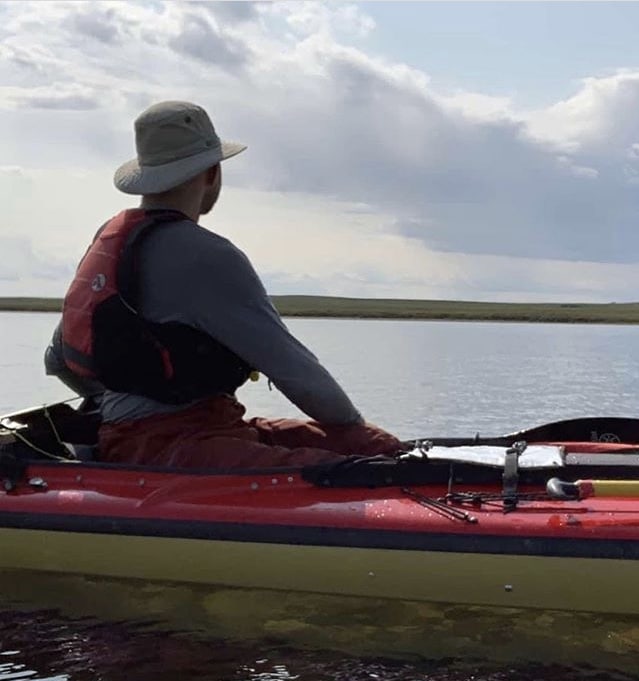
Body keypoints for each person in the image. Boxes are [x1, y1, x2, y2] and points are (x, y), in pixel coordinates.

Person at [45, 100, 403, 468]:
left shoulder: (110, 243)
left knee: (365, 449)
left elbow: (59, 360)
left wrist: (117, 410)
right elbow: (297, 374)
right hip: (173, 445)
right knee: (361, 459)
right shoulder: (208, 255)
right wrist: (355, 432)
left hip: (164, 433)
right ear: (212, 173)